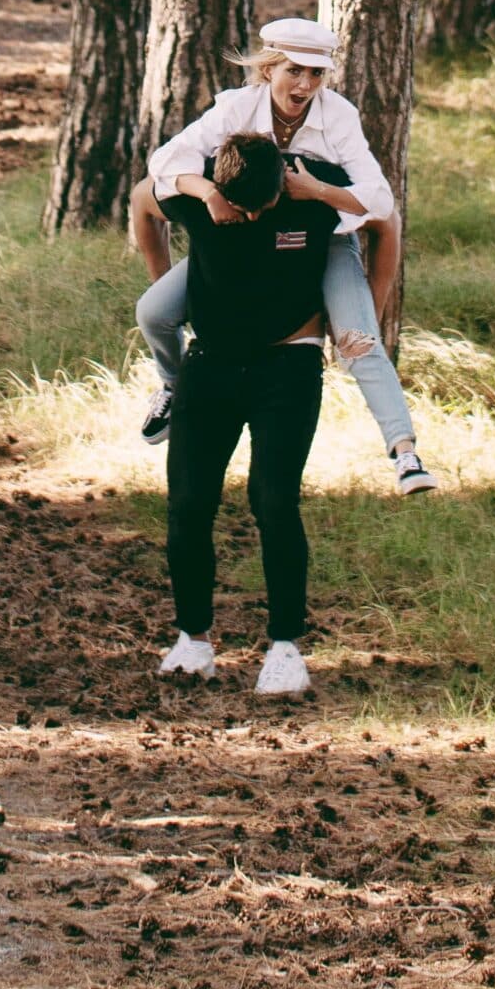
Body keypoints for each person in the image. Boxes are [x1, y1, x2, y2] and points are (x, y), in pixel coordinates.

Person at [134, 18, 437, 496]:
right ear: (268, 70)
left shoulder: (338, 116)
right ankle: (173, 386)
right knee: (153, 311)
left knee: (358, 340)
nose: (306, 85)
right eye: (295, 71)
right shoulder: (237, 107)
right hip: (245, 240)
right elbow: (166, 163)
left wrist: (317, 191)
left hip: (324, 239)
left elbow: (380, 201)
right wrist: (209, 193)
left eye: (317, 74)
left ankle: (405, 453)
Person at [140, 134, 337, 694]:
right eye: (239, 207)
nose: (250, 216)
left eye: (261, 207)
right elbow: (141, 200)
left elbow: (381, 215)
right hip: (211, 365)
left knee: (273, 500)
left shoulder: (311, 194)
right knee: (188, 501)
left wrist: (365, 315)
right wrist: (162, 279)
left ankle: (285, 648)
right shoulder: (202, 198)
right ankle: (193, 639)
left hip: (288, 367)